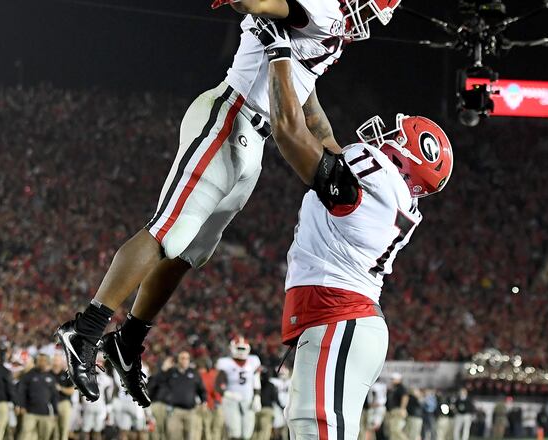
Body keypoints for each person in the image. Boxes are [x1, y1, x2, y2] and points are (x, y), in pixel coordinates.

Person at [55, 0, 403, 408]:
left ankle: (128, 341)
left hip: (253, 139)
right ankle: (86, 328)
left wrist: (333, 148)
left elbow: (306, 98)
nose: (370, 16)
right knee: (169, 231)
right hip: (228, 116)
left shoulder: (330, 27)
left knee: (189, 252)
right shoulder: (323, 7)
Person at [256, 17, 453, 439]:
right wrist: (303, 67)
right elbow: (321, 133)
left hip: (339, 317)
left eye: (395, 138)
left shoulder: (375, 183)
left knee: (316, 431)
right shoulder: (384, 194)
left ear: (403, 160)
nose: (383, 136)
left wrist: (278, 54)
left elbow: (289, 133)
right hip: (343, 317)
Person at [215, 337, 262, 440]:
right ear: (232, 348)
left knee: (247, 433)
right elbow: (218, 384)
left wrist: (257, 397)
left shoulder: (253, 360)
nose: (241, 351)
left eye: (243, 348)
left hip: (248, 398)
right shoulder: (225, 362)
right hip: (231, 399)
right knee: (234, 432)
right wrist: (227, 394)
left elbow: (256, 381)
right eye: (238, 348)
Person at [17, 353, 60, 440]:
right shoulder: (28, 375)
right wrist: (21, 406)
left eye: (44, 361)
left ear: (48, 362)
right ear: (36, 362)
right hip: (30, 412)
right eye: (40, 360)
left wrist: (55, 411)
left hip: (45, 413)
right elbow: (21, 392)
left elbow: (54, 396)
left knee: (44, 437)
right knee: (25, 436)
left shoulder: (51, 378)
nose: (42, 363)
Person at [165, 351, 206, 440]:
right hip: (175, 411)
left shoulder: (194, 373)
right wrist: (163, 370)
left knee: (191, 436)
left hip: (191, 411)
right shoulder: (171, 372)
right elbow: (159, 384)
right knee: (174, 437)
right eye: (182, 358)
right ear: (178, 360)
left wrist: (203, 401)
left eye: (187, 358)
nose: (184, 360)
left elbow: (201, 389)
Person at [79, 360, 113, 440]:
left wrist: (80, 407)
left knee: (86, 430)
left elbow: (80, 393)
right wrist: (108, 410)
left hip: (89, 405)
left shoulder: (84, 376)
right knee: (96, 431)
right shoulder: (107, 379)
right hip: (99, 406)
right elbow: (107, 396)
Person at [147, 356, 174, 440]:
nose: (171, 364)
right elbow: (150, 388)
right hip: (158, 404)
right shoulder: (156, 375)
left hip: (170, 405)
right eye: (168, 362)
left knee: (168, 432)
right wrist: (162, 370)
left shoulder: (172, 374)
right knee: (156, 431)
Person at [198, 357, 224, 440]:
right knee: (213, 430)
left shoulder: (208, 375)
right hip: (211, 405)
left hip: (210, 405)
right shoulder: (213, 374)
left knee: (209, 430)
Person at [51, 356, 74, 440]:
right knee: (54, 430)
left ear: (61, 362)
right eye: (54, 360)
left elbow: (71, 390)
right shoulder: (49, 373)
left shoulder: (66, 374)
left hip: (64, 403)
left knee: (64, 428)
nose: (55, 362)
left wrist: (60, 388)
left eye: (57, 360)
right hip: (51, 404)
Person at [253, 368, 278, 440]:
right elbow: (275, 398)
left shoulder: (256, 384)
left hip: (255, 409)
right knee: (264, 432)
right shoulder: (271, 385)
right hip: (267, 410)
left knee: (255, 432)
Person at [270, 366, 291, 440]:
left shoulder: (291, 381)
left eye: (283, 373)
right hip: (277, 406)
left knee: (289, 426)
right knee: (277, 424)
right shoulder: (274, 381)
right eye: (281, 373)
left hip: (289, 406)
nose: (282, 375)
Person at [386, 375, 409, 440]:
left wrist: (402, 409)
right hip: (393, 411)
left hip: (398, 411)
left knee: (396, 430)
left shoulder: (401, 387)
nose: (392, 380)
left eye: (394, 379)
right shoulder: (394, 388)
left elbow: (405, 397)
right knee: (392, 431)